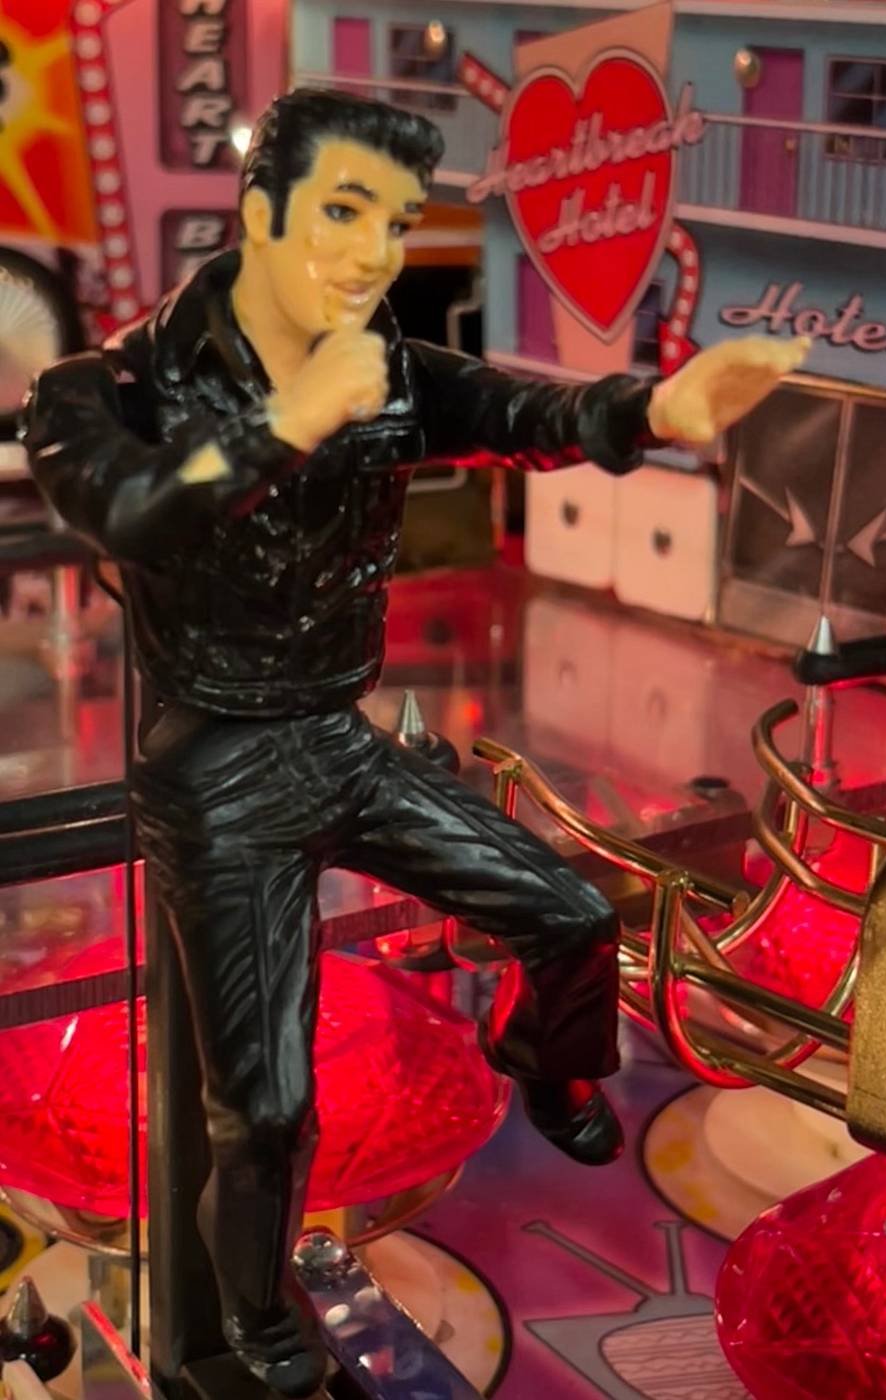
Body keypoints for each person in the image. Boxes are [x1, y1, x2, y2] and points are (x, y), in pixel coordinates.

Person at [23, 89, 807, 1397]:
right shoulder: (110, 386)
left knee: (571, 916)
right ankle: (252, 1315)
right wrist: (284, 424)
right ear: (261, 212)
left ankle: (542, 1065)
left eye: (394, 224)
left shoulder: (383, 363)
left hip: (336, 737)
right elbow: (131, 512)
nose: (372, 252)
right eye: (344, 212)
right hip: (216, 769)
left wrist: (659, 412)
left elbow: (516, 413)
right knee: (264, 1109)